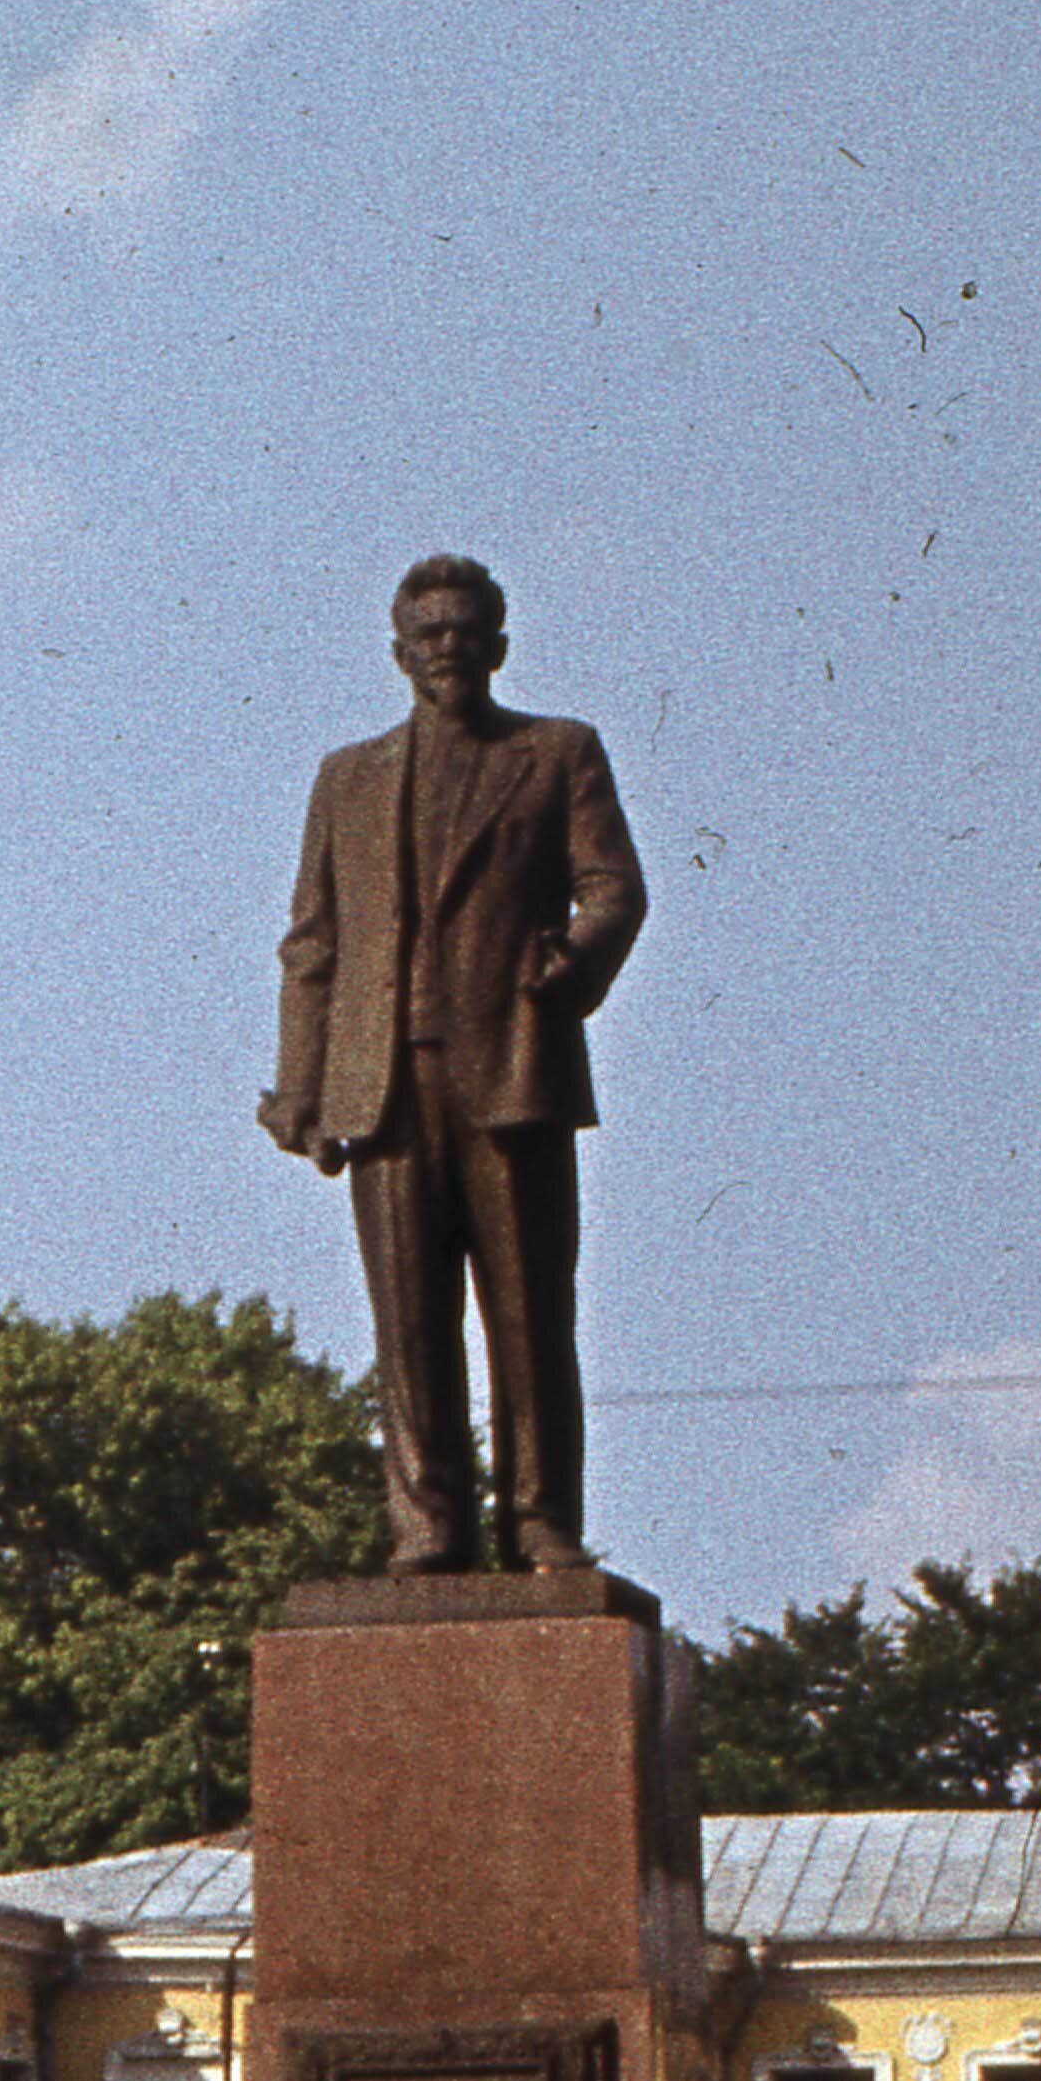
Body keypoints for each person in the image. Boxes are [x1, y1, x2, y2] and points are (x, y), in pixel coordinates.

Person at [257, 554, 647, 1574]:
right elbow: (314, 942)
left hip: (512, 1070)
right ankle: (427, 1524)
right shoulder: (348, 777)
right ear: (397, 653)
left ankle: (539, 1520)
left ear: (499, 645)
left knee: (528, 1316)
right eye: (427, 634)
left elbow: (613, 889)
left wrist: (566, 969)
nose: (447, 648)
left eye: (465, 631)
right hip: (380, 1086)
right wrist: (301, 1085)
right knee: (408, 1324)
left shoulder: (555, 752)